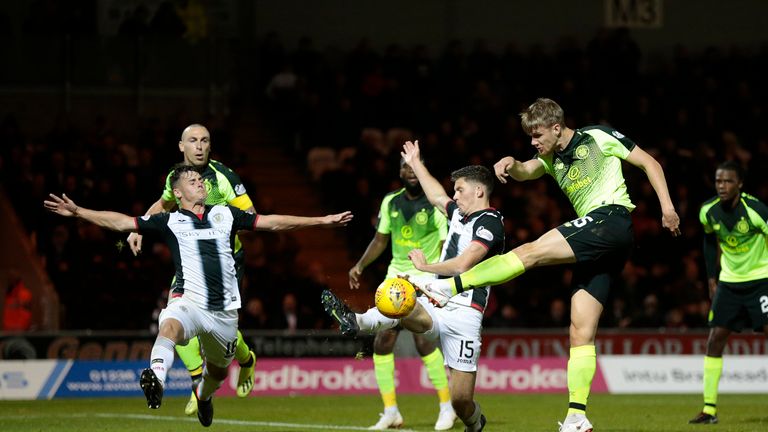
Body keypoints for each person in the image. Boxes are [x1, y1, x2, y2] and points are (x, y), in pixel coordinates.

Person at [414, 98, 681, 432]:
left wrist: (667, 207)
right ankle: (577, 416)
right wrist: (511, 162)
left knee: (531, 252)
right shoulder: (550, 158)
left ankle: (447, 287)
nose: (533, 142)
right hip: (601, 244)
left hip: (610, 218)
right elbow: (527, 171)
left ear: (557, 128)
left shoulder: (598, 136)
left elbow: (650, 163)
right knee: (580, 331)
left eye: (537, 135)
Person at [44, 165, 352, 427]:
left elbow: (271, 222)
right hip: (189, 302)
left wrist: (321, 221)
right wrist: (78, 212)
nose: (200, 182)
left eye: (200, 179)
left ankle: (203, 396)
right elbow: (123, 222)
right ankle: (157, 377)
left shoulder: (226, 214)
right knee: (169, 324)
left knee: (216, 374)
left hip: (224, 315)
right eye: (192, 181)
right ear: (177, 193)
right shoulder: (170, 221)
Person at [324, 141, 503, 432]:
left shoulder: (491, 223)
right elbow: (435, 195)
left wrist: (425, 267)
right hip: (438, 298)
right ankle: (357, 321)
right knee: (401, 298)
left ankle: (473, 420)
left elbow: (463, 264)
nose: (453, 195)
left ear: (479, 191)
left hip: (466, 313)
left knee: (462, 400)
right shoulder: (458, 213)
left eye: (459, 190)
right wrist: (416, 162)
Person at [127, 123, 257, 415]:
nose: (199, 146)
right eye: (193, 141)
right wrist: (139, 228)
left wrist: (218, 224)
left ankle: (246, 360)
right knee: (175, 314)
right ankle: (198, 383)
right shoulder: (177, 178)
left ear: (210, 146)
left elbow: (250, 214)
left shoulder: (224, 177)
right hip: (190, 258)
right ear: (181, 146)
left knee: (220, 327)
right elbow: (163, 203)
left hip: (225, 260)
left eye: (205, 141)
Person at [344, 156, 456, 430]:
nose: (410, 172)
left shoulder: (434, 204)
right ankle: (390, 411)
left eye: (414, 166)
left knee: (423, 341)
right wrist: (360, 264)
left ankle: (446, 407)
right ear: (400, 172)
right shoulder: (390, 201)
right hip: (394, 279)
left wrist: (437, 276)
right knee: (382, 342)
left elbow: (445, 243)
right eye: (405, 167)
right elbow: (381, 240)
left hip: (425, 277)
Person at [688, 161, 768, 424]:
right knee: (714, 340)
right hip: (730, 283)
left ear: (740, 184)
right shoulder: (708, 211)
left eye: (728, 181)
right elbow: (709, 241)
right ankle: (708, 410)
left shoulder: (756, 210)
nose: (722, 186)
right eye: (718, 181)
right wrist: (712, 277)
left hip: (761, 280)